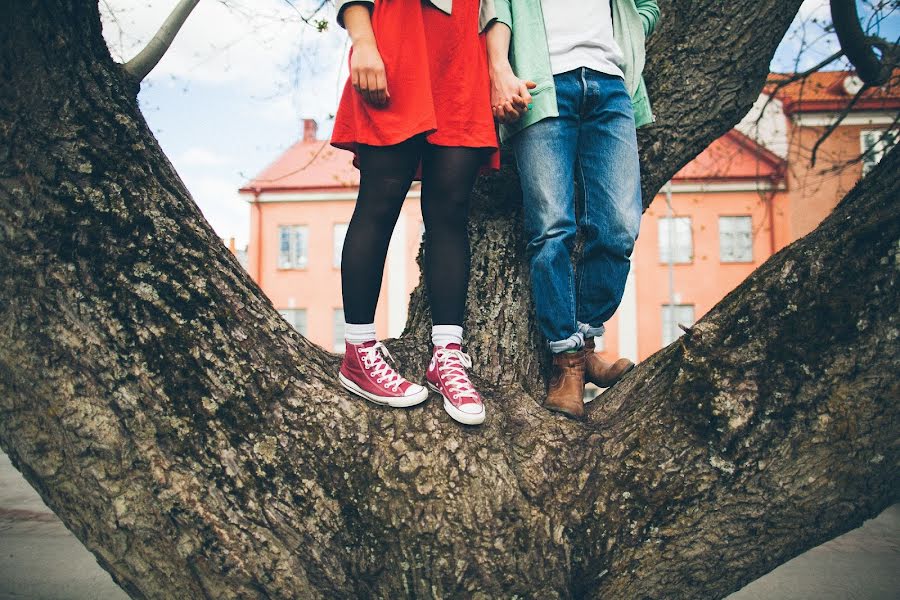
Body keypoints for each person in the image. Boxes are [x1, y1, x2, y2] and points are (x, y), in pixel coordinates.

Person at [486, 0, 660, 419]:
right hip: (543, 83)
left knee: (619, 225)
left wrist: (630, 35)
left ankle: (584, 343)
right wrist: (499, 71)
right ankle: (567, 364)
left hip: (612, 87)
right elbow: (498, 9)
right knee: (551, 229)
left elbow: (647, 7)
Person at [331, 0, 500, 426]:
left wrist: (499, 71)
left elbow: (497, 11)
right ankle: (358, 352)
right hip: (397, 44)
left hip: (462, 54)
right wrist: (363, 42)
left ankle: (447, 357)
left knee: (450, 212)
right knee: (379, 201)